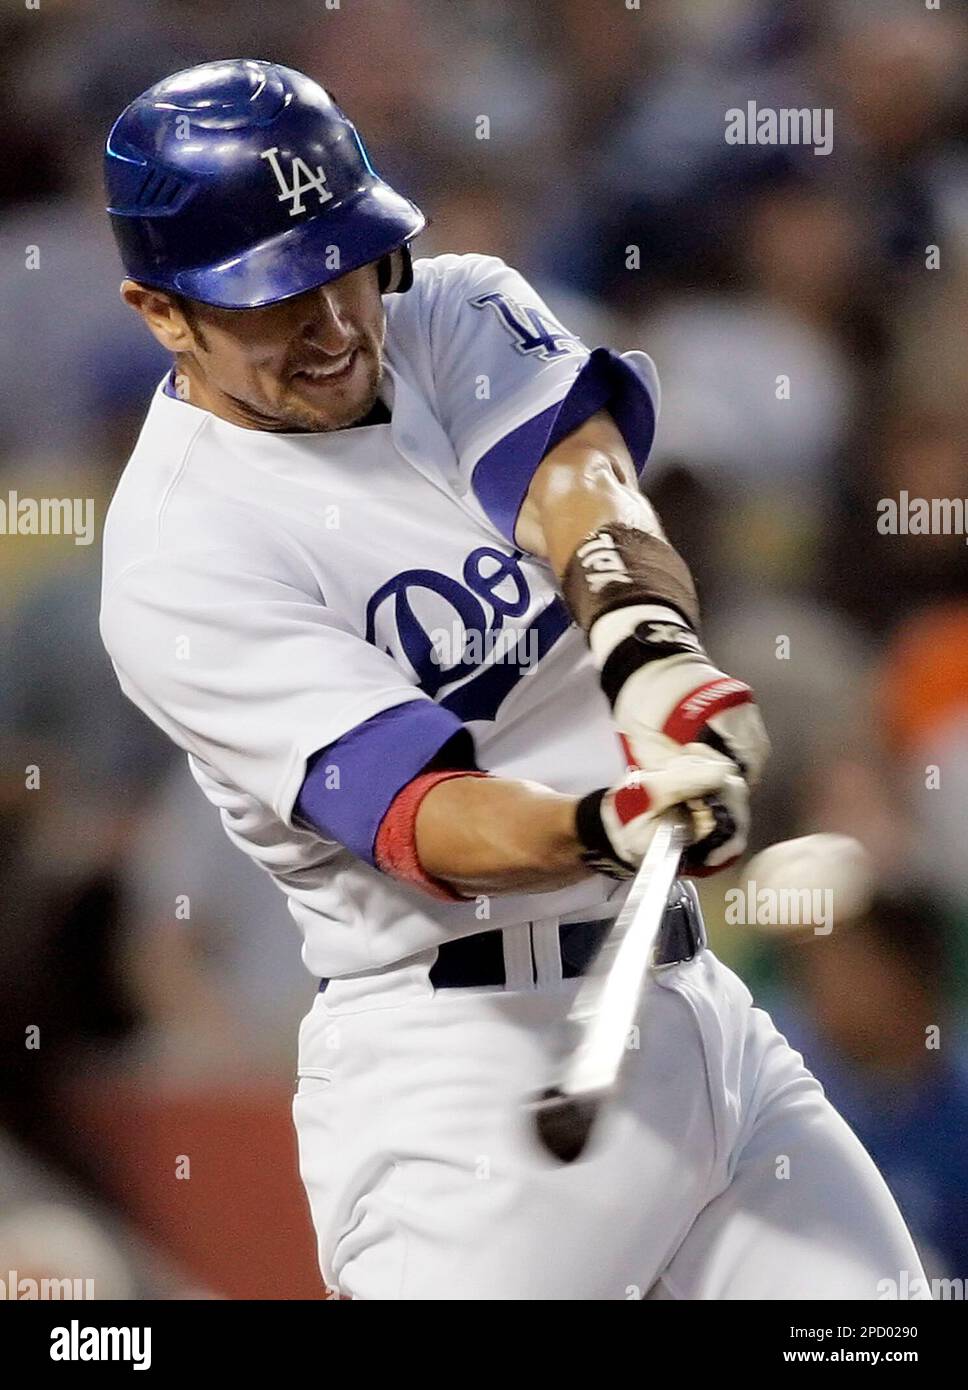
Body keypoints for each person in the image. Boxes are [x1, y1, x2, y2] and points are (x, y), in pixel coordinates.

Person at [99, 59, 927, 1300]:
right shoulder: (179, 553)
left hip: (694, 1012)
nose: (332, 324)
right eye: (276, 296)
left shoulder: (447, 308)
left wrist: (654, 662)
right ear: (162, 310)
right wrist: (607, 820)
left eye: (344, 264)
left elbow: (577, 486)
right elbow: (421, 812)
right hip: (467, 1075)